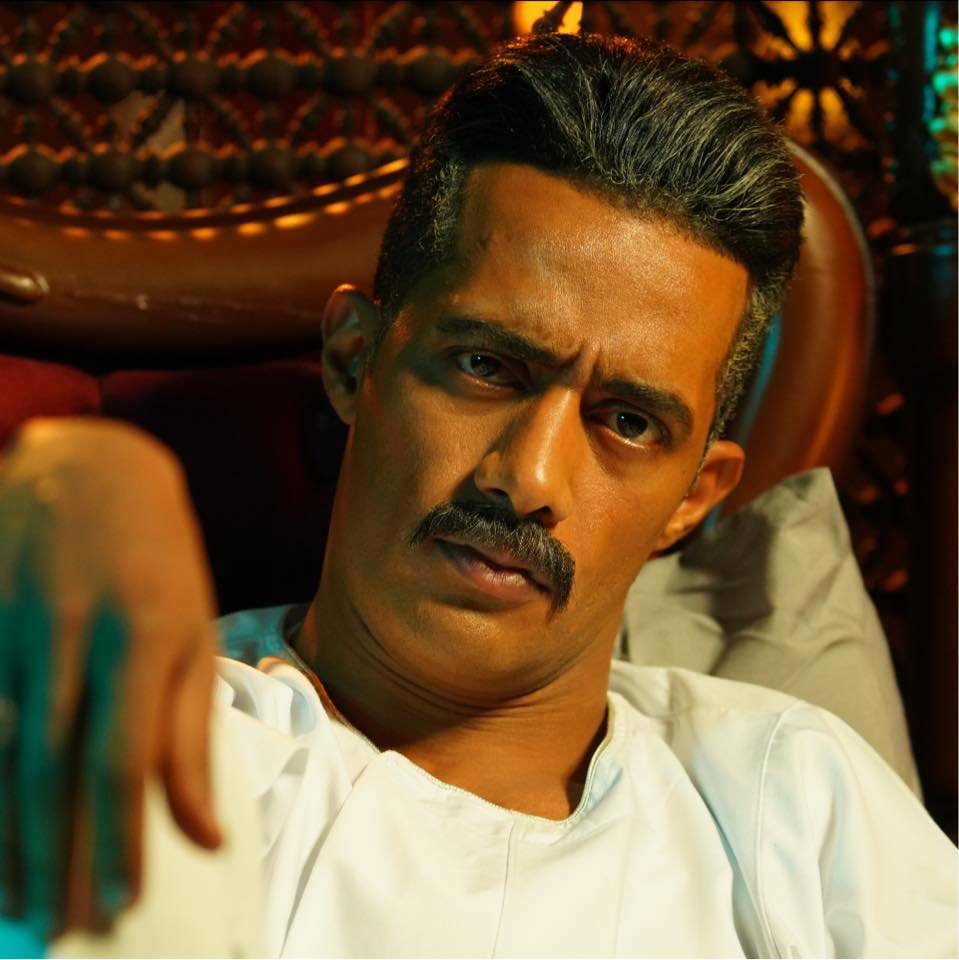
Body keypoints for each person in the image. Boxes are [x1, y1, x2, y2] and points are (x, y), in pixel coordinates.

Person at [0, 31, 955, 959]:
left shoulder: (798, 803)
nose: (527, 478)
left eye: (626, 422)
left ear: (692, 498)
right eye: (487, 366)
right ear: (354, 360)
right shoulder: (150, 741)